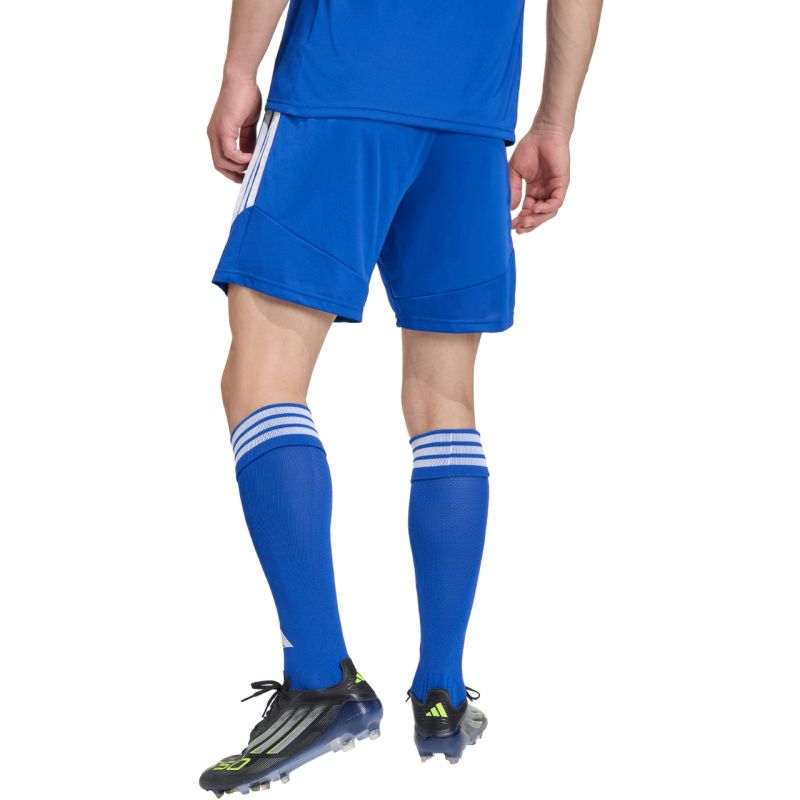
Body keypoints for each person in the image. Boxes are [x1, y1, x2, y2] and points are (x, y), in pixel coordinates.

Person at [199, 0, 602, 794]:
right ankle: (442, 691)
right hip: (474, 119)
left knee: (262, 377)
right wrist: (554, 122)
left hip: (341, 85)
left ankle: (320, 682)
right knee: (444, 400)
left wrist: (239, 70)